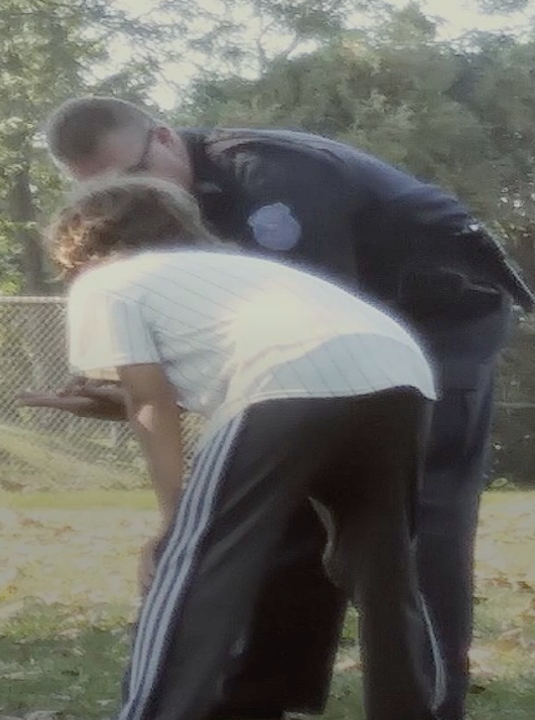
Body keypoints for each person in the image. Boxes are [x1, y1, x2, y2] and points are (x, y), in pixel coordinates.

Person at [40, 96, 534, 720]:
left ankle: (431, 707)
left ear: (164, 138)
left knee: (414, 526)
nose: (129, 196)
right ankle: (267, 695)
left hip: (441, 315)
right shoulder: (175, 218)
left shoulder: (269, 174)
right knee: (313, 513)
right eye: (105, 190)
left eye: (133, 178)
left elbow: (298, 340)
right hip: (372, 347)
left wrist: (172, 520)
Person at [25, 174, 443, 720]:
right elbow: (181, 385)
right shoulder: (244, 271)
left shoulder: (107, 282)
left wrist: (173, 524)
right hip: (399, 374)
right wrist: (121, 401)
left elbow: (150, 402)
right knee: (382, 567)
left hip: (284, 379)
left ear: (79, 246)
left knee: (197, 568)